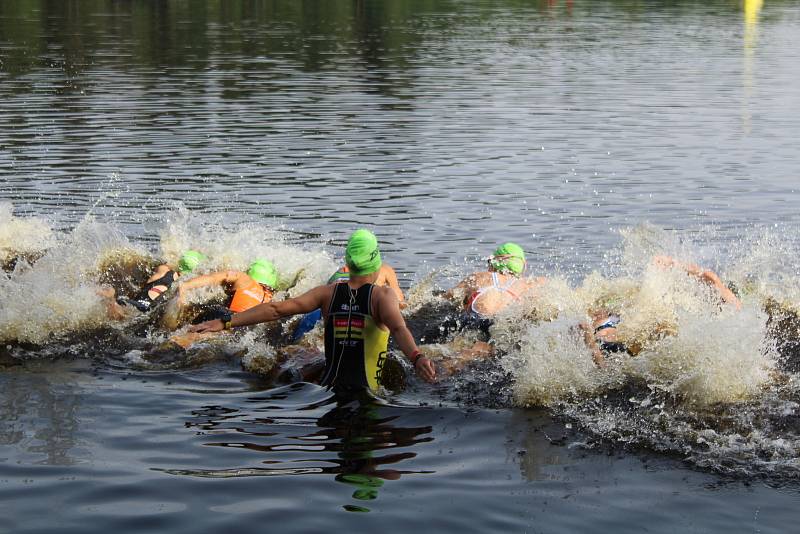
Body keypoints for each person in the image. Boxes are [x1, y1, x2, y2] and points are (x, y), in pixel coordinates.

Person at [189, 229, 436, 393]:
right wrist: (417, 358)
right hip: (369, 394)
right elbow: (399, 328)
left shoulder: (326, 293)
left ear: (348, 263)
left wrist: (226, 322)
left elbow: (276, 309)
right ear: (376, 262)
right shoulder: (382, 296)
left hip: (328, 390)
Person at [581, 255, 742, 367]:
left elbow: (709, 276)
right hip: (623, 337)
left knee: (631, 333)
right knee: (654, 332)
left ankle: (598, 354)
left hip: (611, 335)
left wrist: (673, 264)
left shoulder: (614, 314)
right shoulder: (723, 311)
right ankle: (599, 354)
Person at [168, 258, 278, 348]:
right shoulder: (272, 299)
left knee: (192, 325)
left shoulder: (244, 279)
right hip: (246, 330)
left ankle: (175, 339)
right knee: (219, 335)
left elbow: (215, 278)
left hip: (229, 317)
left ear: (250, 272)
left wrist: (185, 286)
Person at [292, 262, 407, 341]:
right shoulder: (384, 270)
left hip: (323, 308)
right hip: (357, 312)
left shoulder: (344, 269)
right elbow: (400, 302)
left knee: (304, 341)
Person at [100, 250, 206, 318]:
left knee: (119, 307)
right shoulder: (183, 281)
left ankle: (110, 297)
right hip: (146, 308)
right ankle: (111, 299)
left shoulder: (163, 269)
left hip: (134, 301)